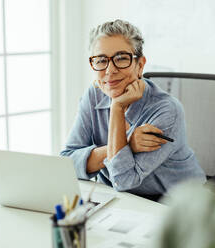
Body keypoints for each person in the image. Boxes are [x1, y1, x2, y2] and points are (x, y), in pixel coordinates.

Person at [60, 19, 205, 200]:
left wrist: (117, 107)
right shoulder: (94, 95)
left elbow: (124, 179)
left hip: (176, 204)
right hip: (120, 200)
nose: (110, 70)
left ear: (140, 65)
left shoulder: (168, 110)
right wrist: (129, 143)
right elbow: (67, 163)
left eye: (121, 58)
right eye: (101, 60)